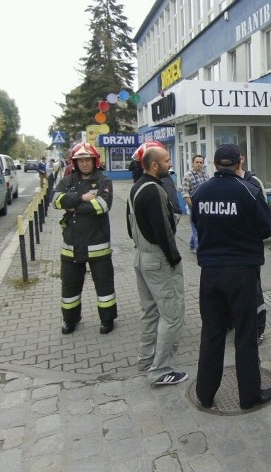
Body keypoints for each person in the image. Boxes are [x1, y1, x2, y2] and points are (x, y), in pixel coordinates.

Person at [192, 144, 271, 409]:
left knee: (212, 334)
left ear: (215, 165)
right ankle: (249, 396)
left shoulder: (200, 192)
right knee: (245, 335)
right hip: (242, 273)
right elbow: (266, 228)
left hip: (211, 273)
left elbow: (196, 222)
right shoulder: (249, 191)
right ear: (239, 163)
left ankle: (205, 394)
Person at [127, 144, 187, 386]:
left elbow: (130, 229)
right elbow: (165, 231)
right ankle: (160, 370)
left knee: (150, 312)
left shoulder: (135, 188)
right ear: (154, 165)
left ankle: (146, 359)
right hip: (158, 260)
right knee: (172, 315)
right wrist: (175, 260)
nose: (170, 164)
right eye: (166, 160)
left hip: (141, 257)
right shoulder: (155, 191)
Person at [52, 142, 117, 335]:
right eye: (81, 161)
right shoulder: (67, 180)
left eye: (88, 160)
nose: (85, 164)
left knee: (104, 286)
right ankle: (70, 319)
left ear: (94, 161)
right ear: (75, 162)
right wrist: (83, 198)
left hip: (98, 245)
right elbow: (55, 201)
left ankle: (107, 319)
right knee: (69, 286)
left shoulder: (104, 181)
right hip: (71, 245)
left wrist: (72, 204)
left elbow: (103, 206)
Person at [241, 156, 268, 342]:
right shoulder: (221, 184)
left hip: (251, 252)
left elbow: (266, 219)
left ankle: (258, 328)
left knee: (255, 291)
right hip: (234, 255)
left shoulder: (253, 182)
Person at [181, 154, 209, 252]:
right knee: (196, 226)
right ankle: (198, 249)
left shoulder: (205, 174)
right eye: (197, 162)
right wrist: (193, 206)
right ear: (192, 163)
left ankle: (193, 244)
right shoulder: (188, 175)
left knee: (203, 227)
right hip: (193, 205)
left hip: (205, 206)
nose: (199, 164)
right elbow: (185, 193)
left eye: (201, 162)